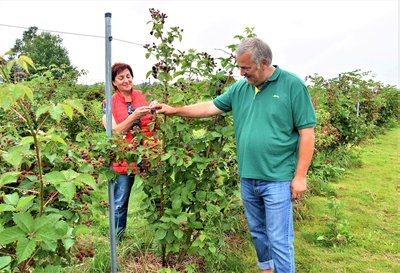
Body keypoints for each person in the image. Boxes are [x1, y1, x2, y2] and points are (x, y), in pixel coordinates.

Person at [154, 38, 316, 273]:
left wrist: (300, 176)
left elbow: (307, 133)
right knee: (258, 233)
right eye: (239, 67)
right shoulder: (241, 88)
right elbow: (210, 107)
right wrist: (174, 110)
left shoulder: (292, 85)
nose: (241, 73)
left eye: (246, 68)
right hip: (248, 177)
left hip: (278, 178)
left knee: (279, 239)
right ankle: (268, 270)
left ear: (264, 63)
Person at [102, 62, 157, 240]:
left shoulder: (142, 96)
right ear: (114, 82)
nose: (126, 80)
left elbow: (153, 124)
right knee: (120, 202)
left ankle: (159, 235)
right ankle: (117, 240)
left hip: (148, 154)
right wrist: (134, 116)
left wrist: (155, 111)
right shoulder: (107, 104)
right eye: (121, 78)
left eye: (128, 76)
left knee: (157, 195)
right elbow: (113, 132)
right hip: (124, 158)